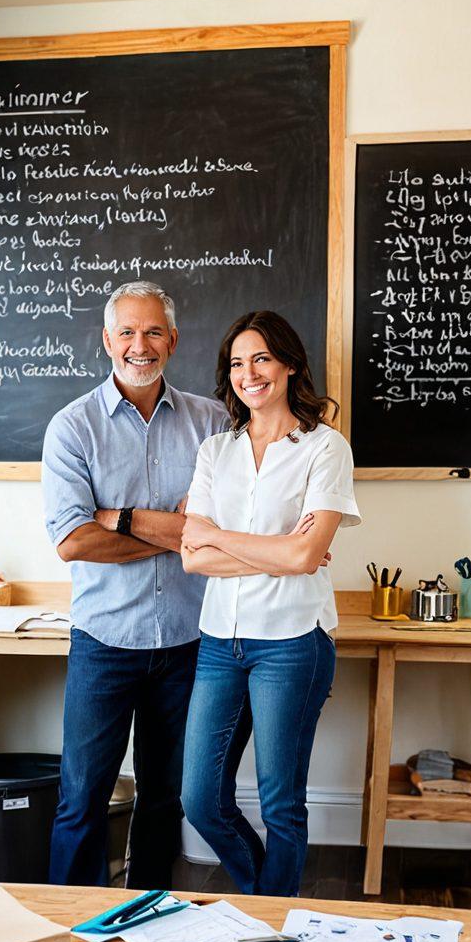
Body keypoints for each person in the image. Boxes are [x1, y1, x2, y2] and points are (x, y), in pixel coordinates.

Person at [42, 281, 228, 889]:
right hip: (104, 642)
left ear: (173, 341)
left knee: (164, 798)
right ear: (106, 340)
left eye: (152, 332)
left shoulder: (215, 423)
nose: (139, 345)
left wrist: (117, 517)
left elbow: (223, 529)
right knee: (81, 799)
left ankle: (146, 917)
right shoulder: (72, 428)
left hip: (188, 642)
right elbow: (74, 542)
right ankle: (70, 931)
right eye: (126, 331)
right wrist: (176, 529)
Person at [180, 310, 361, 896]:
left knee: (281, 802)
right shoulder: (215, 451)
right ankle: (267, 901)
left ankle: (272, 922)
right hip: (219, 642)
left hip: (292, 642)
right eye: (236, 362)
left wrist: (222, 537)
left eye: (260, 358)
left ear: (288, 364)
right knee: (200, 799)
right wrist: (280, 548)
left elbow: (306, 559)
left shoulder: (325, 448)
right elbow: (191, 558)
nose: (248, 373)